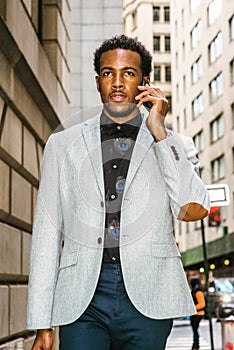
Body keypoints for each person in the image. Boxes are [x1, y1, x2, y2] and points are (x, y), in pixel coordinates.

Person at [27, 35, 210, 350]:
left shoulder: (173, 143)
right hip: (82, 299)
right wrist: (42, 323)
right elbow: (46, 234)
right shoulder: (63, 144)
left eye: (128, 73)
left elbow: (193, 208)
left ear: (144, 82)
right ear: (98, 82)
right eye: (108, 73)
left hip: (148, 296)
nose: (117, 81)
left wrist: (159, 132)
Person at [190, 277, 206, 350]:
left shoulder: (198, 292)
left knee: (195, 330)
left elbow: (202, 304)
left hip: (198, 314)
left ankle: (196, 346)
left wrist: (193, 308)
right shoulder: (194, 291)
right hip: (195, 314)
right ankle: (195, 345)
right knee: (195, 330)